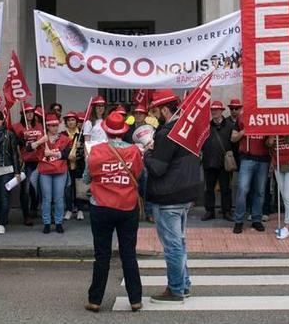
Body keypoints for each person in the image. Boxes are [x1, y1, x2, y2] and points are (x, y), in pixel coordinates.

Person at [82, 112, 144, 312]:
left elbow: (85, 179)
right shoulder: (134, 151)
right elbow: (139, 175)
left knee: (102, 255)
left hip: (101, 206)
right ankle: (135, 299)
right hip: (127, 206)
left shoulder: (95, 151)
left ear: (106, 130)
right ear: (124, 131)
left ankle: (95, 300)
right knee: (128, 254)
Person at [144, 90, 201, 304]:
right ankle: (184, 284)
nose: (155, 115)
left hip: (168, 195)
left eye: (157, 110)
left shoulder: (166, 132)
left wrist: (147, 153)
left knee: (173, 245)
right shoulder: (188, 128)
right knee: (180, 243)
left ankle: (176, 289)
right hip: (185, 193)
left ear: (166, 110)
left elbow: (158, 168)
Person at [29, 114, 71, 233]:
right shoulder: (42, 138)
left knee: (59, 198)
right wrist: (39, 142)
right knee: (46, 198)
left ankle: (58, 222)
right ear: (47, 126)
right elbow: (28, 148)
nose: (54, 128)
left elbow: (67, 154)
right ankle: (46, 223)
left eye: (56, 125)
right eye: (52, 125)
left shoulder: (64, 138)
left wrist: (52, 154)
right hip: (45, 171)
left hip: (60, 171)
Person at [231, 108, 270, 234]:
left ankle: (256, 219)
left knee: (260, 191)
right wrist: (244, 132)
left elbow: (269, 142)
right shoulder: (242, 117)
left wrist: (271, 140)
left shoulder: (267, 117)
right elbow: (233, 138)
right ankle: (239, 221)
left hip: (263, 158)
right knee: (242, 189)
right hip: (247, 158)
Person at [201, 101, 235, 222]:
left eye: (216, 109)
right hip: (209, 162)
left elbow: (233, 144)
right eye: (212, 110)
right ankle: (209, 211)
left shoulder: (230, 126)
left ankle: (227, 211)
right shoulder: (206, 127)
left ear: (222, 111)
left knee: (226, 189)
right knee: (209, 189)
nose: (214, 112)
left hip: (223, 163)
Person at [268, 135, 289, 240]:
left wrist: (281, 132)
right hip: (278, 163)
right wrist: (271, 138)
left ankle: (287, 226)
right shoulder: (272, 130)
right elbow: (269, 144)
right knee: (284, 195)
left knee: (288, 196)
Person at [14, 103, 41, 226]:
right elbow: (13, 143)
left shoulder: (40, 126)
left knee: (37, 188)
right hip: (25, 161)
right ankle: (26, 215)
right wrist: (22, 139)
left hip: (39, 160)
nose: (29, 114)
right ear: (22, 114)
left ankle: (34, 208)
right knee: (25, 189)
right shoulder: (17, 127)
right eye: (27, 112)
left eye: (31, 112)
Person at [63, 111, 87, 221]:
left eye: (72, 120)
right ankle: (69, 209)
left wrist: (80, 147)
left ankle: (80, 209)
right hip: (66, 166)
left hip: (79, 165)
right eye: (68, 120)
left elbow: (85, 151)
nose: (70, 122)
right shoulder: (62, 135)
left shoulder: (82, 135)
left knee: (79, 188)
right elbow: (61, 150)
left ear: (77, 122)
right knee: (68, 188)